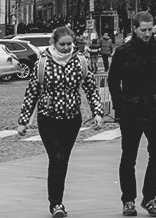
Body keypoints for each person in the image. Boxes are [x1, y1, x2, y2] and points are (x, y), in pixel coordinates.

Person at [17, 25, 104, 218]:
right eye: (62, 44)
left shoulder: (80, 61)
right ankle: (56, 204)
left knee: (62, 159)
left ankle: (57, 201)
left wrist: (98, 113)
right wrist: (23, 121)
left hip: (72, 119)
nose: (66, 48)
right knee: (56, 157)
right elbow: (32, 93)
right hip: (48, 118)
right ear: (54, 43)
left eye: (69, 44)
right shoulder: (43, 63)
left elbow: (91, 89)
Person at [108, 12, 156, 218]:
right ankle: (128, 199)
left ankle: (149, 197)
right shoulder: (123, 52)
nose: (147, 34)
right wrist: (120, 107)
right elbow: (113, 81)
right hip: (131, 110)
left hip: (155, 109)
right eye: (143, 30)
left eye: (150, 30)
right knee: (128, 157)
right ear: (135, 29)